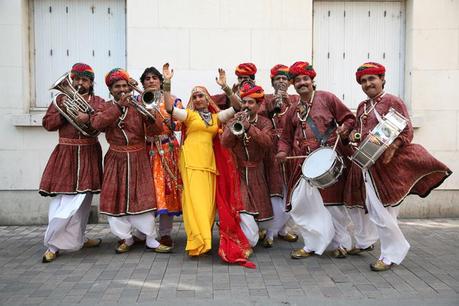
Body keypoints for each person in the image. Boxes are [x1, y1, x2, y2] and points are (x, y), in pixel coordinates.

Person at [344, 62, 452, 271]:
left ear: (382, 79)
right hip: (367, 166)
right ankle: (366, 242)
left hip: (389, 166)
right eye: (364, 81)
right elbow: (358, 131)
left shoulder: (393, 101)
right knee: (372, 210)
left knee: (384, 212)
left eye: (372, 79)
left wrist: (393, 147)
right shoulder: (362, 107)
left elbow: (407, 131)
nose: (368, 83)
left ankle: (392, 253)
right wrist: (352, 135)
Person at [163, 64, 255, 268]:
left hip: (210, 166)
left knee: (208, 206)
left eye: (201, 96)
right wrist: (167, 83)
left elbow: (238, 108)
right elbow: (169, 108)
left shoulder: (215, 118)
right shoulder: (189, 116)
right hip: (191, 163)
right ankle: (197, 242)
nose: (197, 99)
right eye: (194, 96)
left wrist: (226, 88)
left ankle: (204, 240)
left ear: (207, 99)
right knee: (194, 203)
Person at [276, 61, 356, 259]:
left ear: (312, 80)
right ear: (293, 84)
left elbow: (349, 118)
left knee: (334, 205)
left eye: (306, 79)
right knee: (301, 204)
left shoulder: (327, 98)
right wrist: (282, 152)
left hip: (328, 158)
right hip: (304, 163)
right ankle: (313, 243)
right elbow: (286, 137)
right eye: (298, 80)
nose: (302, 82)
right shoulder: (294, 108)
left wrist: (344, 129)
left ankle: (342, 244)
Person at [90, 68, 172, 254]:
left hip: (138, 156)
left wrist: (148, 109)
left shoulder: (138, 104)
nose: (122, 89)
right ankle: (125, 238)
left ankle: (150, 238)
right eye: (117, 87)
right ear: (111, 90)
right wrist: (118, 107)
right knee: (115, 199)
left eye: (125, 86)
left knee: (143, 199)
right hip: (115, 158)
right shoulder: (104, 106)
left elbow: (157, 128)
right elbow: (96, 124)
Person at [40, 63, 104, 263]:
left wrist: (89, 117)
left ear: (91, 83)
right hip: (66, 153)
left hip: (88, 151)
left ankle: (78, 237)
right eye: (76, 79)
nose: (79, 83)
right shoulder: (60, 100)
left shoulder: (98, 101)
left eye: (84, 80)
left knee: (83, 202)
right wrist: (65, 113)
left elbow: (104, 121)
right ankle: (53, 244)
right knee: (65, 201)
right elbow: (47, 123)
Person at [221, 82, 274, 248]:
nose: (246, 106)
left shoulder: (265, 123)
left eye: (251, 102)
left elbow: (267, 142)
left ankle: (256, 233)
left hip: (257, 171)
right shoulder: (233, 119)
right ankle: (247, 241)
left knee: (259, 209)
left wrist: (249, 127)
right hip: (239, 172)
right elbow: (225, 143)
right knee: (243, 207)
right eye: (244, 102)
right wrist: (232, 127)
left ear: (258, 105)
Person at [138, 66, 183, 248]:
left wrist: (168, 118)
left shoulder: (173, 100)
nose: (151, 81)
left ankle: (165, 234)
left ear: (160, 81)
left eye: (154, 77)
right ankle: (143, 233)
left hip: (167, 150)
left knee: (167, 192)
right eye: (147, 78)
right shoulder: (137, 101)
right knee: (145, 193)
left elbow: (180, 125)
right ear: (142, 83)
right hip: (145, 150)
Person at [259, 64, 300, 247]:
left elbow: (301, 119)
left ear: (289, 82)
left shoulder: (296, 98)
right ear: (272, 82)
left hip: (291, 148)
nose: (281, 82)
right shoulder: (266, 98)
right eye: (278, 79)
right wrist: (270, 106)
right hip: (272, 149)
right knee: (274, 189)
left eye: (284, 79)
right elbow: (258, 117)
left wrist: (288, 102)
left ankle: (283, 229)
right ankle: (271, 231)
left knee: (290, 189)